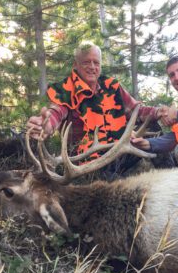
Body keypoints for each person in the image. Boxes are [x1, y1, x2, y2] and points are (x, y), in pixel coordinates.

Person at [27, 41, 164, 179]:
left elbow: (138, 111)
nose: (92, 67)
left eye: (96, 63)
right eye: (86, 62)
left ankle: (172, 174)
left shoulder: (112, 87)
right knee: (113, 186)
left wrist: (161, 112)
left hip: (117, 153)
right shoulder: (65, 91)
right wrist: (46, 125)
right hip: (88, 165)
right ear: (76, 65)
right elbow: (56, 112)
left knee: (154, 128)